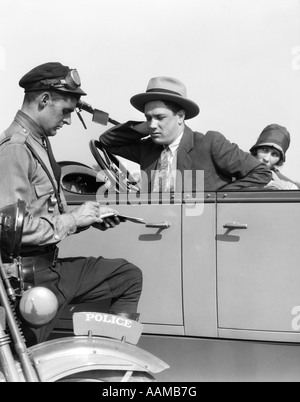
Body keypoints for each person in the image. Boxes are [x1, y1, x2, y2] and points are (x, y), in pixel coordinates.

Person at [0, 62, 143, 346]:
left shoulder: (39, 141)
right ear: (44, 100)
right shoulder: (15, 148)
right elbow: (9, 230)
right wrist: (73, 220)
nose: (67, 120)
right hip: (28, 278)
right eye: (65, 110)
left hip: (49, 267)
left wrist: (87, 219)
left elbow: (45, 213)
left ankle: (109, 363)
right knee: (23, 361)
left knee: (127, 276)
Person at [99, 76, 272, 194]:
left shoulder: (210, 143)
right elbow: (108, 142)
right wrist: (146, 126)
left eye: (160, 117)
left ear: (180, 117)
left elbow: (260, 173)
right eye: (148, 118)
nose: (153, 124)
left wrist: (220, 199)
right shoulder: (147, 148)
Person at [250, 124, 299, 190]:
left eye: (274, 154)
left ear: (279, 160)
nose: (266, 159)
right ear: (256, 150)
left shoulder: (284, 184)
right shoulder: (236, 167)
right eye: (264, 150)